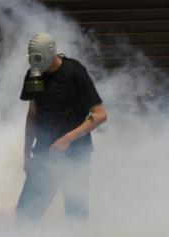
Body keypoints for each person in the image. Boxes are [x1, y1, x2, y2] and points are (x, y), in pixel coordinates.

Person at [16, 32, 107, 223]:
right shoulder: (34, 74)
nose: (35, 64)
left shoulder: (75, 73)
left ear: (51, 52)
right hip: (44, 154)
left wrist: (67, 139)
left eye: (39, 58)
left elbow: (100, 115)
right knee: (25, 214)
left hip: (76, 155)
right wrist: (26, 155)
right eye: (32, 59)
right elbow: (32, 114)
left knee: (75, 215)